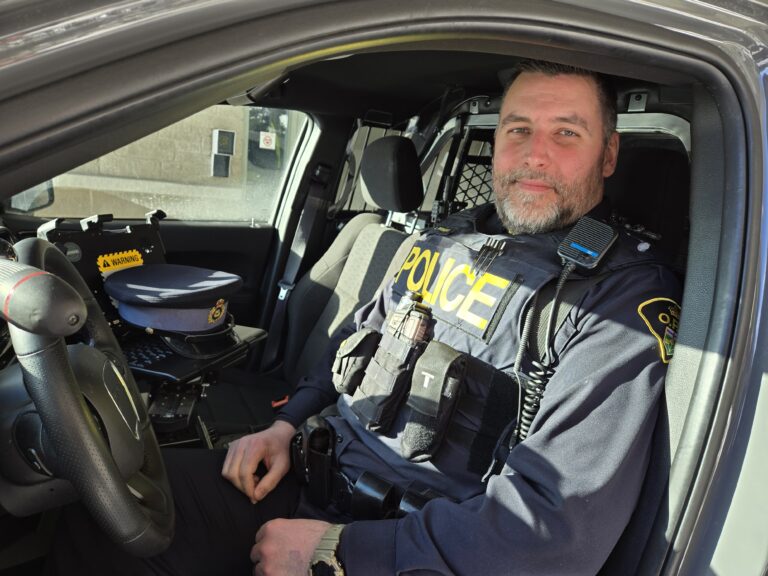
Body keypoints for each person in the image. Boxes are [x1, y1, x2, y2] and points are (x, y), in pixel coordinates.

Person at [48, 60, 681, 576]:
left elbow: (552, 535)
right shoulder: (443, 240)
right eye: (517, 129)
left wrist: (337, 552)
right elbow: (355, 346)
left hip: (413, 546)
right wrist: (286, 426)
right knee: (109, 508)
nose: (534, 155)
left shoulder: (621, 301)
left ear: (608, 155)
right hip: (310, 475)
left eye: (566, 132)